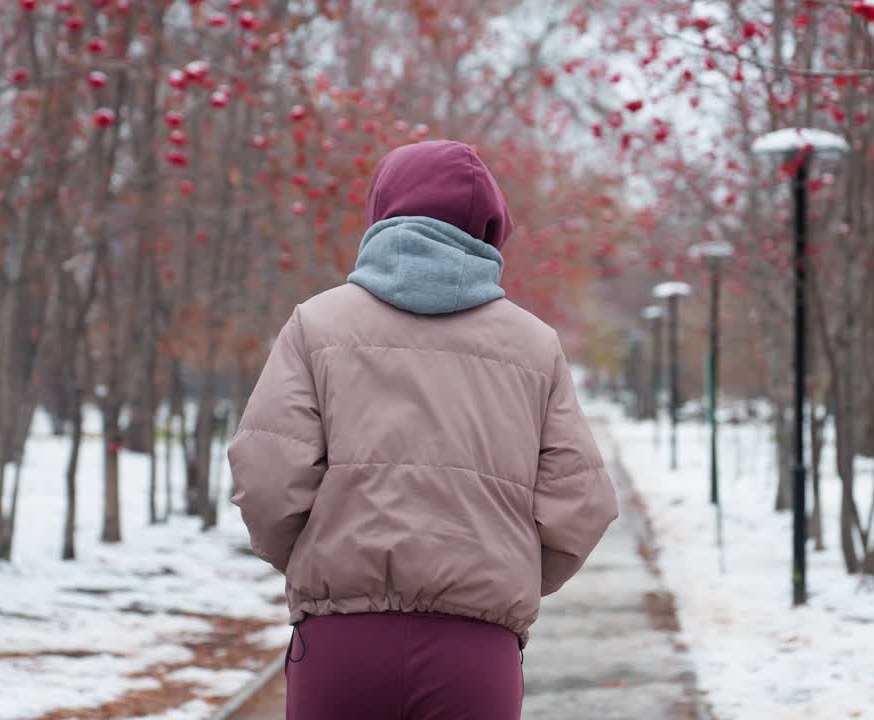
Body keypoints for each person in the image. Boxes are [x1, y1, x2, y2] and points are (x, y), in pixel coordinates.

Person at [228, 140, 619, 720]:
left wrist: (325, 559)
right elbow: (582, 502)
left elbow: (265, 479)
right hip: (476, 655)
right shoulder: (535, 346)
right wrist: (504, 571)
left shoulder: (316, 325)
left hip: (340, 648)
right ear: (491, 227)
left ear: (382, 211)